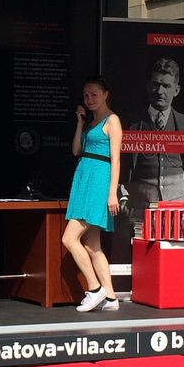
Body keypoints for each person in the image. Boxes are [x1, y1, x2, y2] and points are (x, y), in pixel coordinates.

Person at [62, 77, 121, 313]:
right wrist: (80, 123)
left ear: (105, 94)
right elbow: (76, 150)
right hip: (84, 180)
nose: (89, 99)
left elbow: (116, 159)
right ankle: (111, 297)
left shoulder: (112, 120)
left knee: (69, 239)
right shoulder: (91, 122)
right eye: (86, 95)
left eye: (94, 94)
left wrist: (112, 193)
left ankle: (95, 289)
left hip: (98, 182)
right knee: (92, 245)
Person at [122, 56, 184, 229]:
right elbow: (122, 165)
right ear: (148, 85)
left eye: (166, 86)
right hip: (141, 209)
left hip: (180, 210)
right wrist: (123, 199)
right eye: (156, 84)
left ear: (176, 90)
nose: (159, 91)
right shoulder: (132, 123)